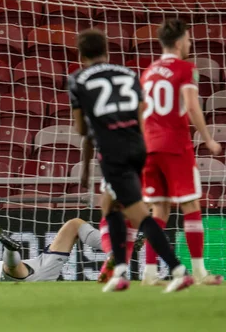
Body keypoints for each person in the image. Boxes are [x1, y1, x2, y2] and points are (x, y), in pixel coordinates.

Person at [69, 28, 193, 293]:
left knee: (138, 215)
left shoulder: (77, 79)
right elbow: (141, 112)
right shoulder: (128, 74)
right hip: (139, 146)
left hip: (113, 151)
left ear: (81, 56)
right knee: (111, 207)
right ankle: (121, 272)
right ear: (106, 51)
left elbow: (81, 130)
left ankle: (178, 270)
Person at [140, 18, 223, 286]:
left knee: (159, 211)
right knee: (191, 205)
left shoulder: (149, 70)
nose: (189, 43)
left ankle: (150, 274)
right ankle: (200, 273)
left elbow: (141, 111)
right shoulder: (186, 68)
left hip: (149, 146)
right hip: (175, 145)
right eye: (187, 39)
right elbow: (191, 105)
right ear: (178, 42)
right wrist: (207, 138)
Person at [0, 219, 103, 282]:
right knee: (12, 268)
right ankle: (114, 246)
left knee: (74, 225)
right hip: (34, 272)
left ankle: (10, 250)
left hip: (39, 269)